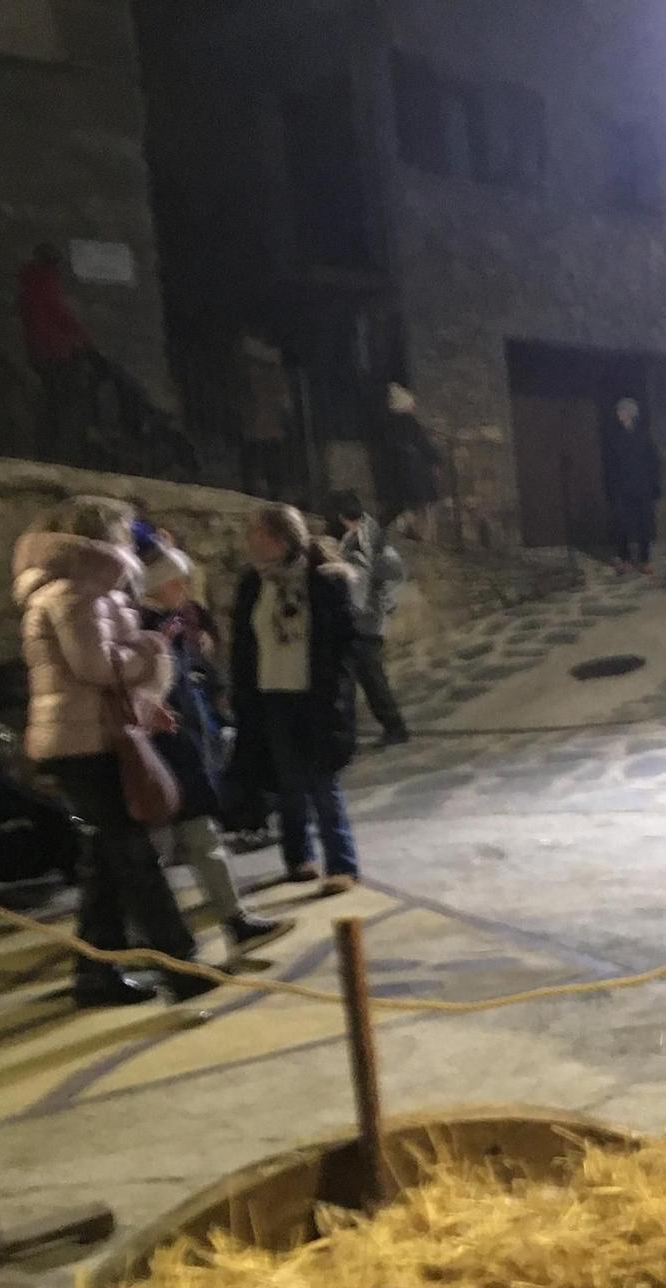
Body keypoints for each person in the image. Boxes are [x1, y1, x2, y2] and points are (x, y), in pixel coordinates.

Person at [14, 497, 217, 1007]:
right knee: (133, 855)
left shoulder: (81, 591)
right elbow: (97, 668)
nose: (132, 543)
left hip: (89, 734)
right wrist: (150, 648)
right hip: (83, 742)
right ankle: (179, 963)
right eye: (126, 533)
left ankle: (96, 974)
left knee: (109, 860)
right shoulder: (75, 594)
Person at [138, 544, 291, 962]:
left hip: (182, 748)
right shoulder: (146, 628)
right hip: (159, 752)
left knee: (202, 838)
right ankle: (146, 940)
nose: (185, 589)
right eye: (178, 582)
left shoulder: (168, 624)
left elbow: (190, 684)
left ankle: (234, 920)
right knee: (151, 853)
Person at [232, 503, 362, 896]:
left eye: (256, 532)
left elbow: (343, 643)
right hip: (271, 695)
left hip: (315, 696)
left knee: (323, 781)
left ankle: (341, 864)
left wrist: (339, 693)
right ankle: (298, 858)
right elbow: (244, 643)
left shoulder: (323, 581)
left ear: (279, 537)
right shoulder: (252, 584)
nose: (250, 540)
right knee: (288, 783)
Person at [335, 493, 410, 748]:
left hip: (366, 620)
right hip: (356, 619)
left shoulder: (369, 540)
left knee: (370, 679)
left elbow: (393, 571)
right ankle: (360, 733)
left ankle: (394, 727)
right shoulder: (354, 539)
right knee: (355, 682)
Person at [17, 243, 92, 462]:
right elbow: (59, 313)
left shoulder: (28, 283)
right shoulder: (44, 282)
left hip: (39, 349)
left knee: (52, 398)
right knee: (61, 401)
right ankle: (58, 450)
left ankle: (50, 446)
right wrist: (81, 335)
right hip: (54, 351)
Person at [604, 397, 662, 575]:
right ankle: (625, 558)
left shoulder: (643, 437)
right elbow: (611, 464)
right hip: (622, 487)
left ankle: (644, 559)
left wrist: (653, 485)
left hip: (641, 486)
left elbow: (653, 462)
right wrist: (612, 487)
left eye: (622, 411)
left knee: (644, 523)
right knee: (622, 524)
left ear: (630, 413)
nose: (619, 414)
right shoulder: (615, 437)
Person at [235, 329, 292, 500]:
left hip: (261, 427)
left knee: (265, 462)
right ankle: (265, 491)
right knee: (262, 461)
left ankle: (266, 492)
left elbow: (281, 398)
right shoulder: (268, 370)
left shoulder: (261, 370)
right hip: (259, 426)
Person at [379, 383, 445, 526]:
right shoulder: (409, 423)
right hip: (414, 472)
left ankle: (392, 527)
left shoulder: (389, 425)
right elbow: (423, 444)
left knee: (402, 504)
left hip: (399, 473)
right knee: (420, 504)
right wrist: (436, 459)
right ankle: (419, 533)